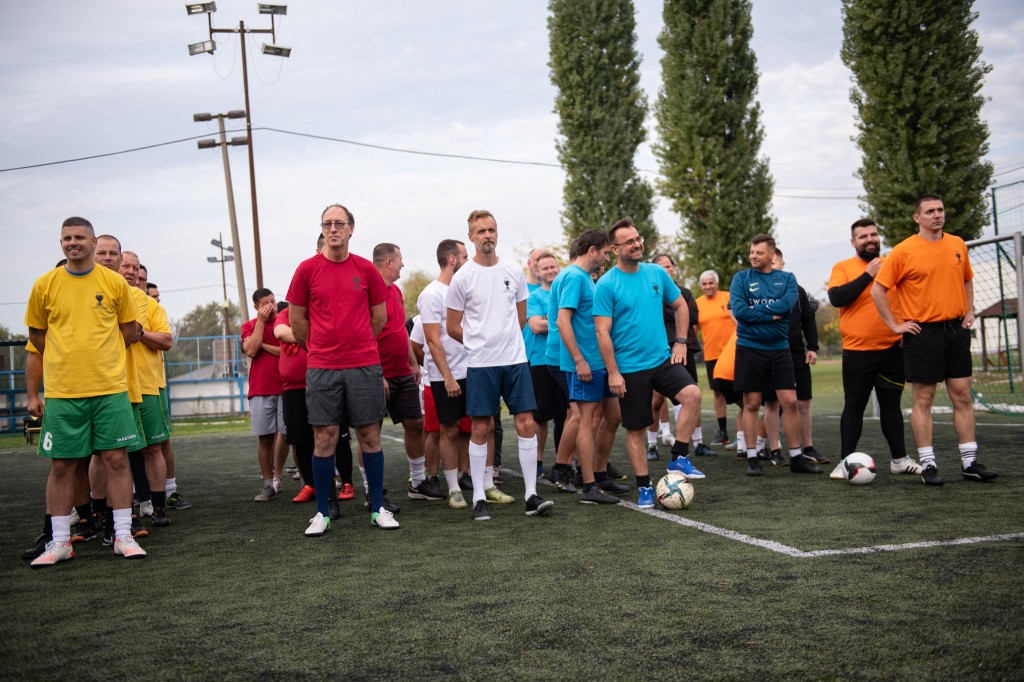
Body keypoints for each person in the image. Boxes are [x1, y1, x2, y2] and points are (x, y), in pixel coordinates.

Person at [25, 217, 147, 566]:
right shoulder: (45, 285)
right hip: (63, 392)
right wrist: (65, 361)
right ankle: (60, 542)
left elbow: (129, 331)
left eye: (79, 237)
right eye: (67, 238)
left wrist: (100, 358)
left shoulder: (114, 283)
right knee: (63, 465)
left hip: (109, 389)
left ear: (93, 242)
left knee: (116, 459)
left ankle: (122, 535)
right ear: (61, 243)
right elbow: (37, 337)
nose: (72, 242)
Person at [287, 203, 398, 536]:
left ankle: (377, 508)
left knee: (370, 436)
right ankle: (322, 512)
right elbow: (296, 320)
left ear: (351, 228)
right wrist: (319, 348)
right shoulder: (306, 270)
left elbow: (379, 318)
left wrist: (358, 344)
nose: (333, 229)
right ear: (322, 230)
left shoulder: (366, 269)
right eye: (327, 224)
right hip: (322, 368)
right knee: (324, 438)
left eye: (339, 223)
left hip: (364, 366)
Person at [871, 196, 997, 485]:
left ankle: (969, 463)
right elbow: (878, 290)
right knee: (924, 398)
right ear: (917, 218)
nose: (937, 215)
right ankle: (928, 465)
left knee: (962, 395)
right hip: (922, 333)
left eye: (940, 210)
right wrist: (895, 325)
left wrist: (969, 310)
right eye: (930, 211)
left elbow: (967, 278)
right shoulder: (903, 251)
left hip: (956, 330)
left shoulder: (957, 244)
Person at [446, 209, 554, 521]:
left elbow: (520, 318)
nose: (487, 235)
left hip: (515, 360)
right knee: (481, 427)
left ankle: (531, 495)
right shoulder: (462, 277)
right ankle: (479, 496)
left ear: (497, 232)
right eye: (481, 231)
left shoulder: (513, 271)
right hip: (481, 364)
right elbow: (452, 326)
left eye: (491, 229)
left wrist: (505, 342)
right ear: (471, 237)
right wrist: (479, 344)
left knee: (526, 423)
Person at [593, 218, 705, 509]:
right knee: (636, 430)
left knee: (693, 395)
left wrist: (681, 341)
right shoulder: (606, 284)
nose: (636, 244)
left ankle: (679, 456)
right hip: (629, 369)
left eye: (638, 238)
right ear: (615, 249)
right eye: (629, 241)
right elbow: (602, 332)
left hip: (662, 359)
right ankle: (644, 488)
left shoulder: (656, 272)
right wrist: (613, 373)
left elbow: (680, 305)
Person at [827, 219, 922, 477]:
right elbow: (836, 298)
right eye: (863, 236)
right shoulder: (843, 267)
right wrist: (868, 274)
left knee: (891, 405)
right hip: (857, 352)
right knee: (854, 405)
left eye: (873, 234)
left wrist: (904, 330)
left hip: (891, 350)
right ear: (853, 242)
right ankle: (844, 462)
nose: (870, 239)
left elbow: (909, 297)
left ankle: (899, 460)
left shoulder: (893, 263)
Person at [729, 234, 822, 476]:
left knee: (790, 402)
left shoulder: (788, 278)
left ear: (771, 255)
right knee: (751, 403)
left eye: (759, 252)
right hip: (749, 348)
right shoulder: (741, 278)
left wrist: (755, 310)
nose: (753, 256)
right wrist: (770, 315)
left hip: (780, 349)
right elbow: (739, 311)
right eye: (751, 251)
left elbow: (787, 306)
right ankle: (752, 458)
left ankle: (796, 457)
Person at [555, 230, 627, 505]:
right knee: (588, 421)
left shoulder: (585, 277)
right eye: (606, 252)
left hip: (600, 362)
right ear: (592, 250)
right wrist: (579, 360)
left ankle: (600, 473)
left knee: (613, 417)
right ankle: (588, 487)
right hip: (585, 363)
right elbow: (562, 321)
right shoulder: (574, 276)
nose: (607, 257)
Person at [371, 242, 443, 502]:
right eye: (400, 259)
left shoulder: (396, 291)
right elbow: (366, 334)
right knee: (371, 432)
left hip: (403, 372)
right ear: (389, 262)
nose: (403, 264)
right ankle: (371, 490)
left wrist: (413, 362)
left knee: (415, 424)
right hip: (376, 374)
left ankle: (417, 483)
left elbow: (400, 330)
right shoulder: (369, 292)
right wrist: (378, 373)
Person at [418, 239, 476, 509]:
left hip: (473, 370)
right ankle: (453, 489)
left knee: (480, 426)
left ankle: (483, 483)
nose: (469, 261)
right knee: (449, 431)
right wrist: (449, 377)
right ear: (452, 260)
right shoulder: (432, 294)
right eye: (465, 256)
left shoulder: (464, 289)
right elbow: (432, 341)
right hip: (447, 376)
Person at [757, 248, 828, 467]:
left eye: (774, 263)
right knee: (772, 403)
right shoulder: (757, 291)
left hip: (797, 354)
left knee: (803, 402)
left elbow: (808, 320)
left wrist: (812, 347)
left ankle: (808, 448)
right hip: (770, 353)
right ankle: (775, 450)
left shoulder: (797, 290)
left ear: (782, 264)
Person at [650, 253, 715, 459]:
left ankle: (697, 443)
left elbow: (693, 316)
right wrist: (678, 311)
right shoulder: (651, 292)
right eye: (661, 267)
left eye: (668, 266)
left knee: (692, 395)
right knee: (656, 400)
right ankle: (651, 445)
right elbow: (657, 315)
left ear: (674, 268)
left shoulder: (684, 292)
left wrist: (677, 312)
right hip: (658, 351)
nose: (666, 270)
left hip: (684, 349)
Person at [524, 252, 568, 480]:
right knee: (541, 416)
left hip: (566, 360)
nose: (550, 271)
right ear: (537, 272)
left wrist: (547, 320)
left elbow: (545, 323)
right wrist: (564, 321)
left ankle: (564, 462)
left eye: (553, 266)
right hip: (540, 361)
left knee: (566, 414)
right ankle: (538, 463)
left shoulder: (566, 292)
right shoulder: (533, 297)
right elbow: (535, 327)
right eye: (545, 268)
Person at [241, 288, 287, 501]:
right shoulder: (249, 325)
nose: (272, 306)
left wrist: (263, 346)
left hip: (287, 386)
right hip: (261, 388)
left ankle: (285, 478)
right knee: (265, 438)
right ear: (256, 307)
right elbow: (251, 350)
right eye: (266, 303)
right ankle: (268, 484)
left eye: (273, 301)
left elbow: (285, 351)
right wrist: (260, 322)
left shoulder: (283, 322)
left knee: (290, 435)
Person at [695, 270, 739, 447]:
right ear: (701, 286)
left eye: (710, 283)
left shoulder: (728, 297)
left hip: (733, 353)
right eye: (704, 284)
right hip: (711, 355)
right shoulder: (697, 304)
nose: (708, 286)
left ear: (717, 283)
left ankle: (745, 433)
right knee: (718, 392)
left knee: (742, 390)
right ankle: (723, 432)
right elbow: (693, 330)